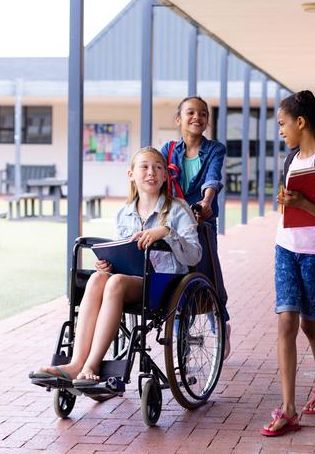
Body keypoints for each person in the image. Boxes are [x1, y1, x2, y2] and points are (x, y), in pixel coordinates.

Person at [30, 147, 202, 385]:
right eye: (144, 167)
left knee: (116, 282)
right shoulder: (123, 214)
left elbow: (194, 256)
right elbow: (122, 254)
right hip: (129, 280)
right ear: (131, 174)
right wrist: (107, 263)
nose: (151, 172)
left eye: (158, 167)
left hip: (165, 284)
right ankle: (76, 362)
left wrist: (166, 232)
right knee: (98, 278)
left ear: (165, 176)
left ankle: (91, 365)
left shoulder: (178, 209)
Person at [261, 90, 315, 437]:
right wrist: (287, 201)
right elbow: (290, 208)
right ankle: (288, 409)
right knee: (286, 321)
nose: (281, 131)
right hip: (285, 248)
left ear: (301, 122)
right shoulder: (290, 160)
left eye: (283, 124)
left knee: (309, 325)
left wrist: (304, 202)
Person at [161, 95, 231, 359]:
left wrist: (207, 201)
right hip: (175, 223)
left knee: (209, 275)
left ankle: (219, 327)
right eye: (190, 113)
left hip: (203, 222)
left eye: (203, 114)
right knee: (177, 277)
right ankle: (180, 335)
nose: (197, 118)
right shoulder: (168, 150)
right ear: (179, 119)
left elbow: (213, 177)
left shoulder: (215, 149)